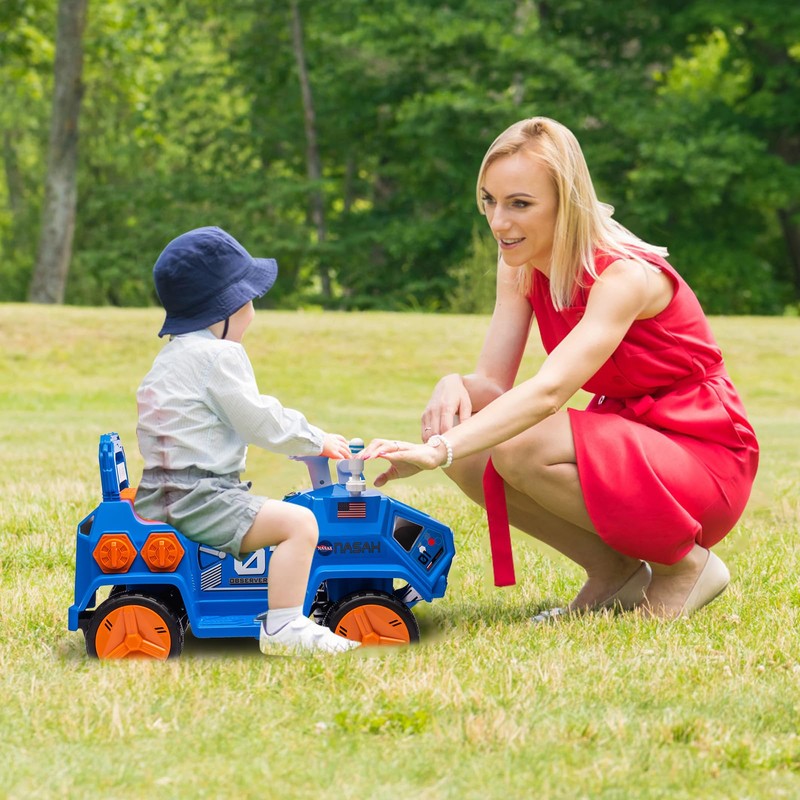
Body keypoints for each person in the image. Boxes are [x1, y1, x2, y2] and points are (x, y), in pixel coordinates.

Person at [361, 117, 759, 621]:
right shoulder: (520, 264)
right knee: (469, 448)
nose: (498, 222)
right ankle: (615, 572)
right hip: (629, 443)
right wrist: (452, 387)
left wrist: (438, 449)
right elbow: (493, 386)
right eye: (489, 200)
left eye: (519, 204)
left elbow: (550, 392)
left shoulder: (624, 275)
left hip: (702, 453)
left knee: (514, 444)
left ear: (566, 202)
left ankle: (686, 566)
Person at [135, 226, 359, 653]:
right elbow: (259, 420)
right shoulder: (218, 355)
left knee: (279, 513)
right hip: (200, 496)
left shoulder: (172, 356)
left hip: (165, 491)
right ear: (222, 309)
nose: (252, 312)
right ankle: (285, 625)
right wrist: (316, 440)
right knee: (300, 523)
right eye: (247, 301)